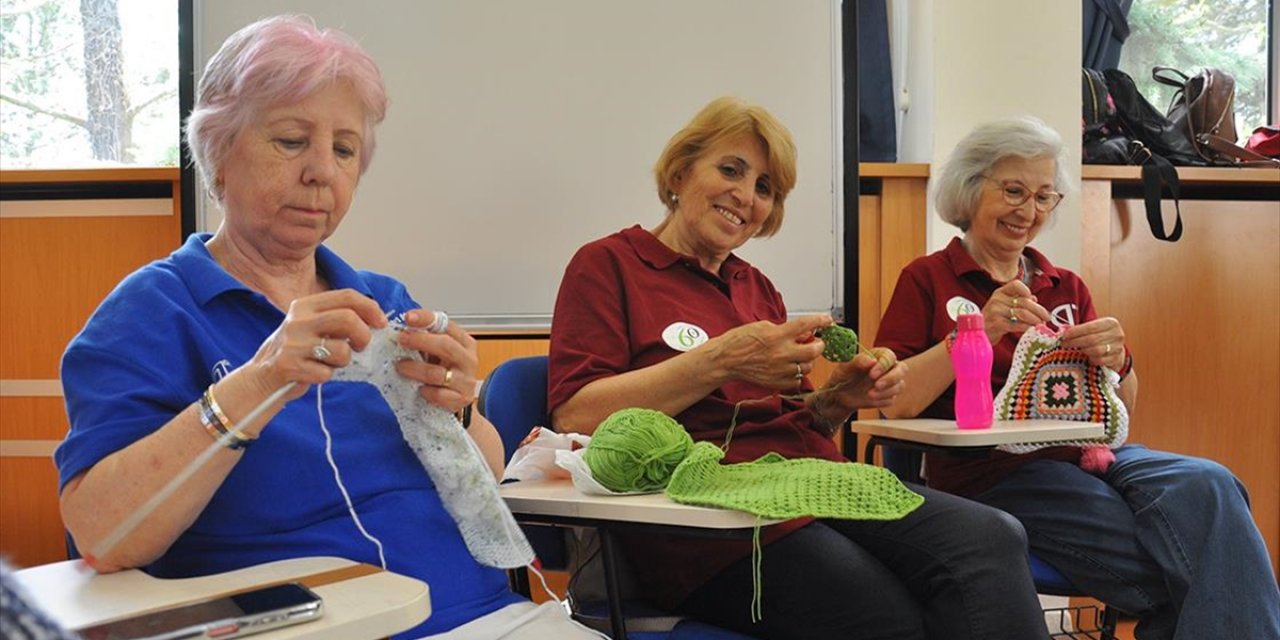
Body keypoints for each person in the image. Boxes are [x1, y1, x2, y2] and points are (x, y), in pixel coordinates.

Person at [54, 16, 599, 640]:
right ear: (218, 154)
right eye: (290, 141)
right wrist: (260, 381)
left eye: (343, 150)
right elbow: (101, 534)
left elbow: (481, 473)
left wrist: (461, 410)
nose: (322, 172)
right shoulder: (151, 314)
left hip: (488, 616)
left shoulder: (383, 301)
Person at [547, 96, 1051, 640]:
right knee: (885, 610)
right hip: (702, 521)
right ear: (680, 170)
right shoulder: (609, 264)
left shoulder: (756, 288)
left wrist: (838, 398)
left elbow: (794, 423)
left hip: (809, 484)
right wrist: (718, 358)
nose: (746, 196)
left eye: (765, 188)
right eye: (731, 170)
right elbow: (579, 413)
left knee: (994, 537)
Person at [875, 115, 1280, 640]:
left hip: (1093, 456)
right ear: (970, 191)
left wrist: (1119, 361)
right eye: (1015, 191)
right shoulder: (927, 278)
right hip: (993, 475)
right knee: (1208, 566)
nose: (1030, 211)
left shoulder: (1064, 284)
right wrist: (973, 333)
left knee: (1212, 483)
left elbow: (1120, 411)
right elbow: (894, 404)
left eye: (1045, 197)